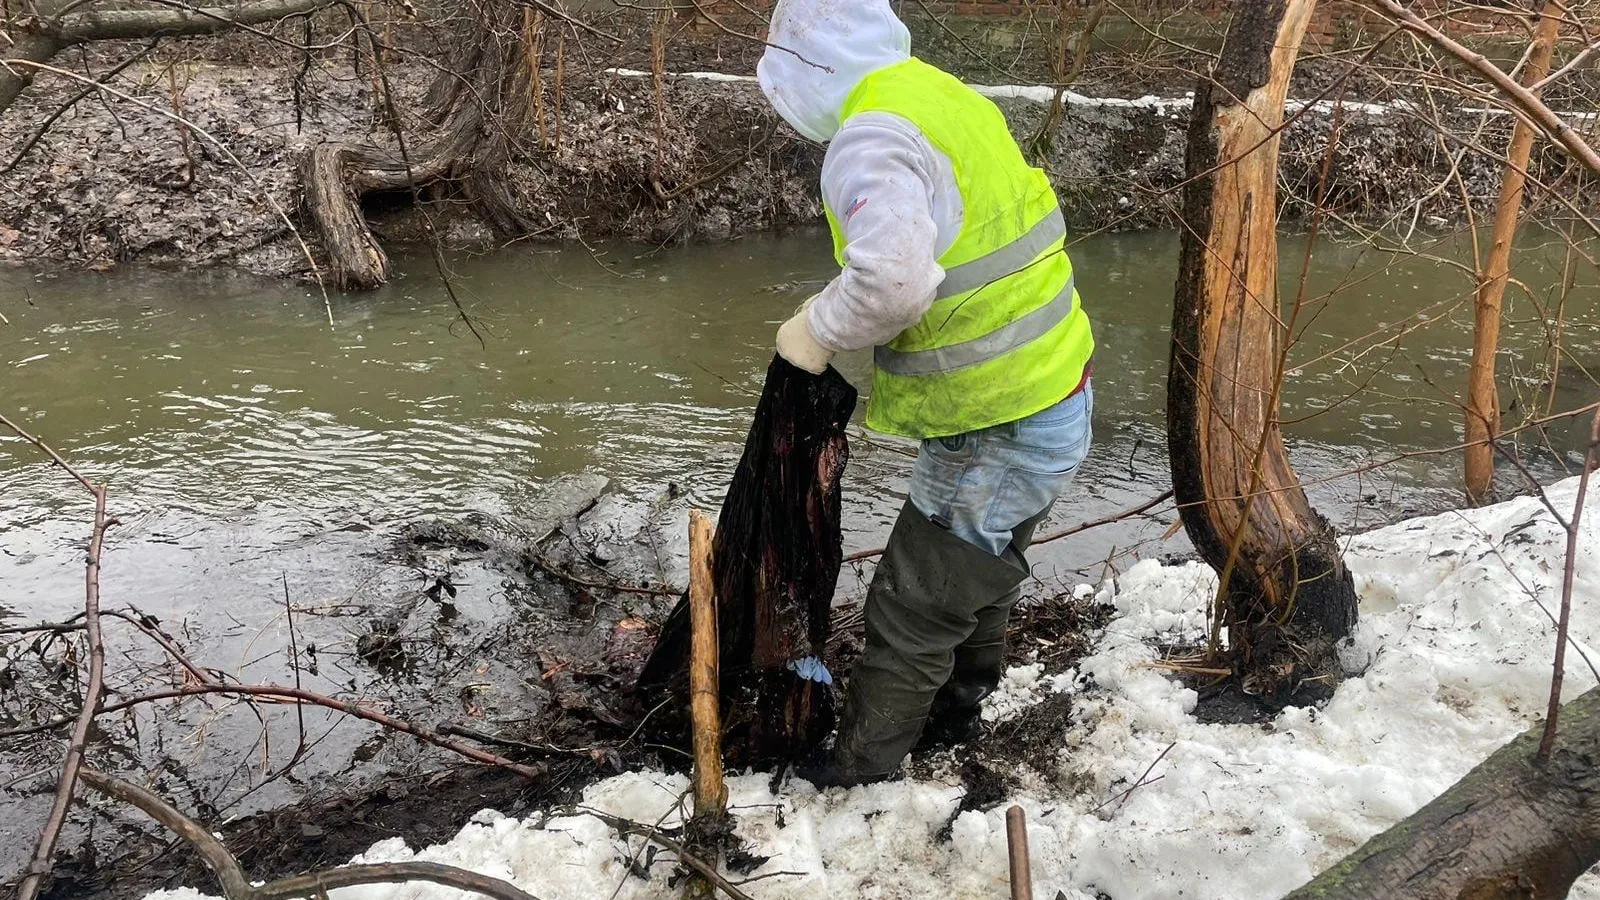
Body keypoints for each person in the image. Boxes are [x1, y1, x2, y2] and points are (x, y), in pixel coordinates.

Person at [758, 0, 1096, 787]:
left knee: (912, 607)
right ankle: (957, 715)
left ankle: (861, 772)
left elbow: (895, 282)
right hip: (1055, 389)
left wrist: (818, 328)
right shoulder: (937, 94)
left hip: (996, 420)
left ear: (807, 64)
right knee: (980, 563)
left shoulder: (871, 138)